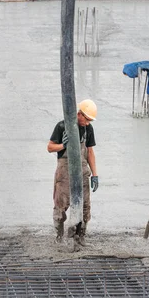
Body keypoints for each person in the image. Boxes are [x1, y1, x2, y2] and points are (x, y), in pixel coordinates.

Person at [47, 99, 99, 250]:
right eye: (87, 119)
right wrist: (63, 145)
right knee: (60, 204)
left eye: (90, 120)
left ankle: (80, 237)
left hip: (82, 171)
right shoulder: (62, 126)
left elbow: (90, 152)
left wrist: (95, 174)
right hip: (65, 171)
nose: (88, 123)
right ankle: (59, 236)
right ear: (79, 114)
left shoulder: (88, 129)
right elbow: (50, 147)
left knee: (85, 206)